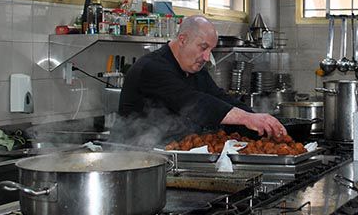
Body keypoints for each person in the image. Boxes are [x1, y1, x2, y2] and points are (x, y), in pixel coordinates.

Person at [116, 15, 284, 144]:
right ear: (183, 40)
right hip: (139, 157)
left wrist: (259, 121)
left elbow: (219, 97)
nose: (206, 57)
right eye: (203, 48)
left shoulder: (193, 68)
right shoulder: (152, 68)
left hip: (174, 153)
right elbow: (193, 103)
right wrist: (247, 119)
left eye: (210, 50)